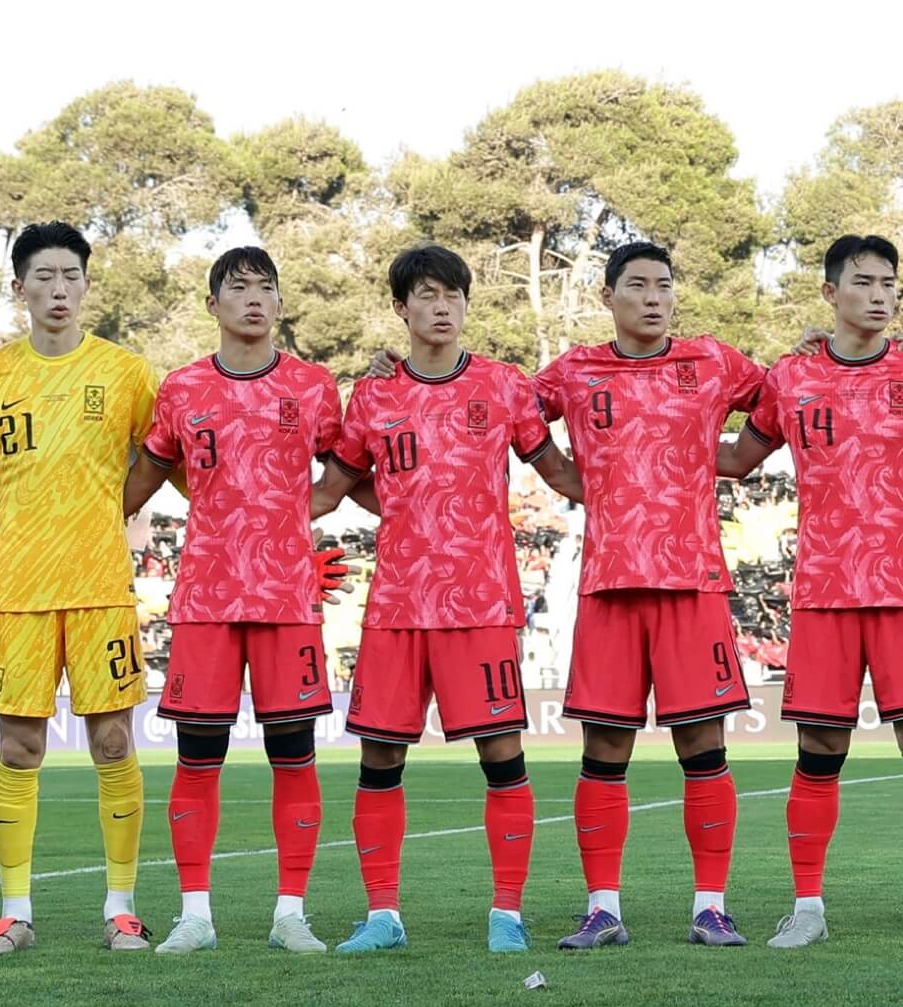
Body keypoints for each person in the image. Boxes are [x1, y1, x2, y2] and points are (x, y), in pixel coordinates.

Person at [312, 244, 583, 954]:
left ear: (465, 304)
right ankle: (382, 916)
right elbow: (332, 487)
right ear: (401, 307)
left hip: (480, 603)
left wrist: (646, 486)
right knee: (379, 759)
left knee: (502, 756)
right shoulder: (373, 394)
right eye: (427, 295)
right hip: (397, 605)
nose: (441, 308)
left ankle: (506, 913)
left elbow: (558, 472)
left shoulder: (502, 384)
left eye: (452, 295)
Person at [0, 221, 157, 956]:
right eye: (44, 276)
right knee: (20, 747)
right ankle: (14, 912)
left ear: (86, 285)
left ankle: (120, 908)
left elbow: (172, 455)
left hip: (101, 588)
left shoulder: (127, 373)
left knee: (113, 742)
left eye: (71, 276)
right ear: (19, 287)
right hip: (18, 592)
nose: (58, 289)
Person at [532, 241, 765, 949]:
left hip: (691, 580)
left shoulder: (712, 361)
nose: (653, 297)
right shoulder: (573, 371)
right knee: (604, 747)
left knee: (702, 743)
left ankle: (711, 907)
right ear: (607, 296)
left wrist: (735, 458)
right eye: (636, 285)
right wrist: (561, 473)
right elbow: (494, 406)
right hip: (608, 583)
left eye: (663, 284)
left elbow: (788, 398)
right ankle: (602, 909)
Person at [123, 246, 354, 955]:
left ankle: (291, 914)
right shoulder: (182, 388)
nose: (253, 299)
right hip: (206, 598)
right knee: (198, 759)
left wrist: (295, 517)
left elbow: (347, 468)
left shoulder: (313, 385)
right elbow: (140, 479)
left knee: (294, 757)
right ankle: (195, 915)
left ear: (280, 303)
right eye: (238, 287)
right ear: (213, 304)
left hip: (287, 598)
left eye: (265, 288)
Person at [716, 234, 903, 947]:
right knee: (818, 748)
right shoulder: (791, 375)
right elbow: (738, 457)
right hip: (825, 589)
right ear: (830, 292)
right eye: (864, 282)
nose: (880, 295)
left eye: (889, 283)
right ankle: (808, 907)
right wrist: (646, 438)